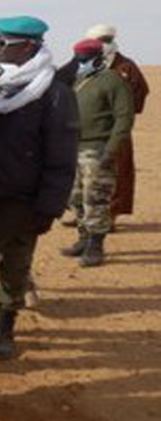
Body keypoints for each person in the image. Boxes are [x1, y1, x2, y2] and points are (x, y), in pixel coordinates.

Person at [0, 16, 79, 361]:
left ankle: (5, 327)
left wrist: (49, 207)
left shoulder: (54, 93)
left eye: (5, 43)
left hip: (19, 200)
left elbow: (62, 157)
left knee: (13, 266)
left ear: (29, 46)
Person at [60, 39, 134, 267]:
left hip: (97, 148)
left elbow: (124, 117)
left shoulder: (112, 81)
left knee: (96, 198)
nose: (80, 63)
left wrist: (111, 149)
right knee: (76, 197)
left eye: (84, 59)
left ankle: (96, 245)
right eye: (77, 58)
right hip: (73, 148)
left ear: (99, 58)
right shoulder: (77, 80)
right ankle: (83, 238)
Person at [84, 24, 150, 225]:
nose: (102, 44)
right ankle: (85, 214)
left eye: (105, 39)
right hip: (89, 130)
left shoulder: (126, 66)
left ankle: (109, 216)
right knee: (86, 171)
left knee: (117, 171)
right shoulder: (87, 64)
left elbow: (140, 91)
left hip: (116, 130)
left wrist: (122, 112)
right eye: (98, 40)